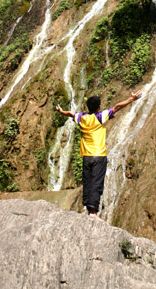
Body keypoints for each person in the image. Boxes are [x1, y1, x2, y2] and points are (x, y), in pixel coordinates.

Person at [56, 90, 141, 219]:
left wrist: (61, 112)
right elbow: (117, 107)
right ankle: (93, 213)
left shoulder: (82, 118)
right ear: (99, 107)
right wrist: (131, 99)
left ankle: (88, 208)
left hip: (86, 156)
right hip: (99, 155)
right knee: (96, 182)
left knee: (88, 182)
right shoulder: (100, 117)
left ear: (88, 107)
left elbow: (70, 114)